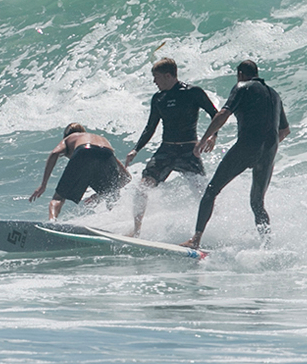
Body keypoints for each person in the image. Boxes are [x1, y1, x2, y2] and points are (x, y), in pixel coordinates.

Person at [182, 60, 289, 249]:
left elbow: (223, 114)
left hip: (247, 146)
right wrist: (265, 149)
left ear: (240, 74)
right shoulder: (275, 95)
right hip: (269, 152)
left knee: (211, 190)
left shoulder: (242, 87)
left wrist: (204, 139)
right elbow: (284, 131)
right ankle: (267, 245)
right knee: (257, 202)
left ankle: (195, 239)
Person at [124, 58, 219, 236]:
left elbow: (215, 114)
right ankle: (136, 230)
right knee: (141, 188)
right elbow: (150, 127)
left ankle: (213, 229)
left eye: (157, 77)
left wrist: (213, 136)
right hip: (166, 151)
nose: (154, 82)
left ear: (168, 76)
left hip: (189, 151)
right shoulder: (158, 98)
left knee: (202, 193)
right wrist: (136, 149)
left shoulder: (193, 92)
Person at [29, 123, 131, 221]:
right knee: (112, 195)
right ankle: (114, 223)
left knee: (58, 198)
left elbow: (55, 153)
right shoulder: (98, 139)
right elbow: (127, 177)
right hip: (107, 153)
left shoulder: (70, 138)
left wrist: (43, 185)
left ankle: (52, 222)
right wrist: (102, 194)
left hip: (84, 151)